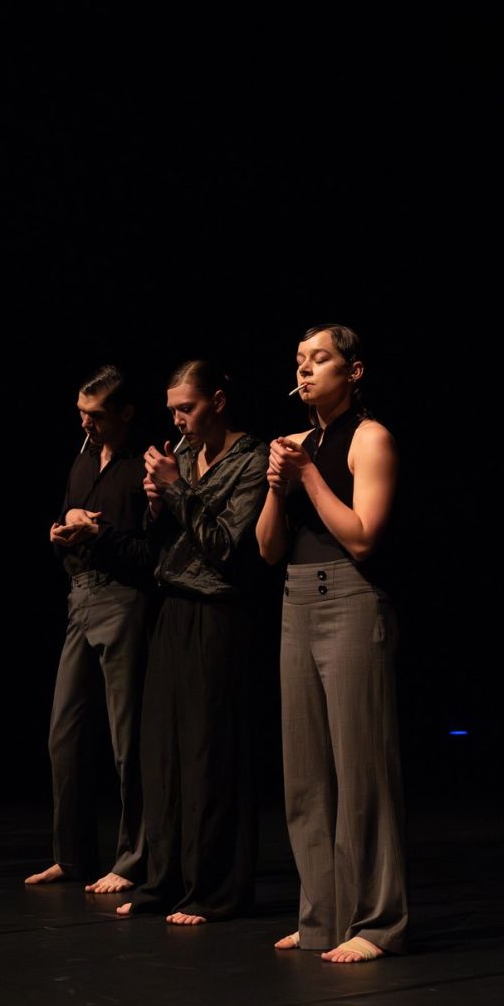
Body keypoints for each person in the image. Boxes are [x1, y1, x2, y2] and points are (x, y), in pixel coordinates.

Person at [256, 324, 407, 963]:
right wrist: (276, 484)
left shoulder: (370, 438)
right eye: (300, 360)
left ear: (353, 371)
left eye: (320, 359)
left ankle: (377, 922)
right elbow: (268, 549)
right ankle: (321, 917)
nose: (306, 369)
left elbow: (364, 535)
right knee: (305, 776)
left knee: (360, 770)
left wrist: (309, 476)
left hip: (349, 596)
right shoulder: (297, 445)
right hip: (295, 597)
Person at [116, 361, 269, 925]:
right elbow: (164, 546)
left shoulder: (251, 460)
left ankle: (213, 888)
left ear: (218, 402)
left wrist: (177, 491)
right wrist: (157, 504)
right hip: (172, 610)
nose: (179, 420)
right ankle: (165, 882)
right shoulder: (181, 457)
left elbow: (224, 545)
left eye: (188, 408)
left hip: (219, 614)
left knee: (210, 754)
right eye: (173, 410)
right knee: (163, 754)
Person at [25, 366, 156, 895]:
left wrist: (96, 533)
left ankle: (134, 859)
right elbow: (66, 524)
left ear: (125, 413)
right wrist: (61, 533)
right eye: (81, 413)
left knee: (128, 739)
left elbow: (151, 554)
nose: (86, 423)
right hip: (79, 597)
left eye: (96, 415)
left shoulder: (144, 464)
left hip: (123, 599)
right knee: (65, 735)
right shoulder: (83, 458)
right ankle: (72, 856)